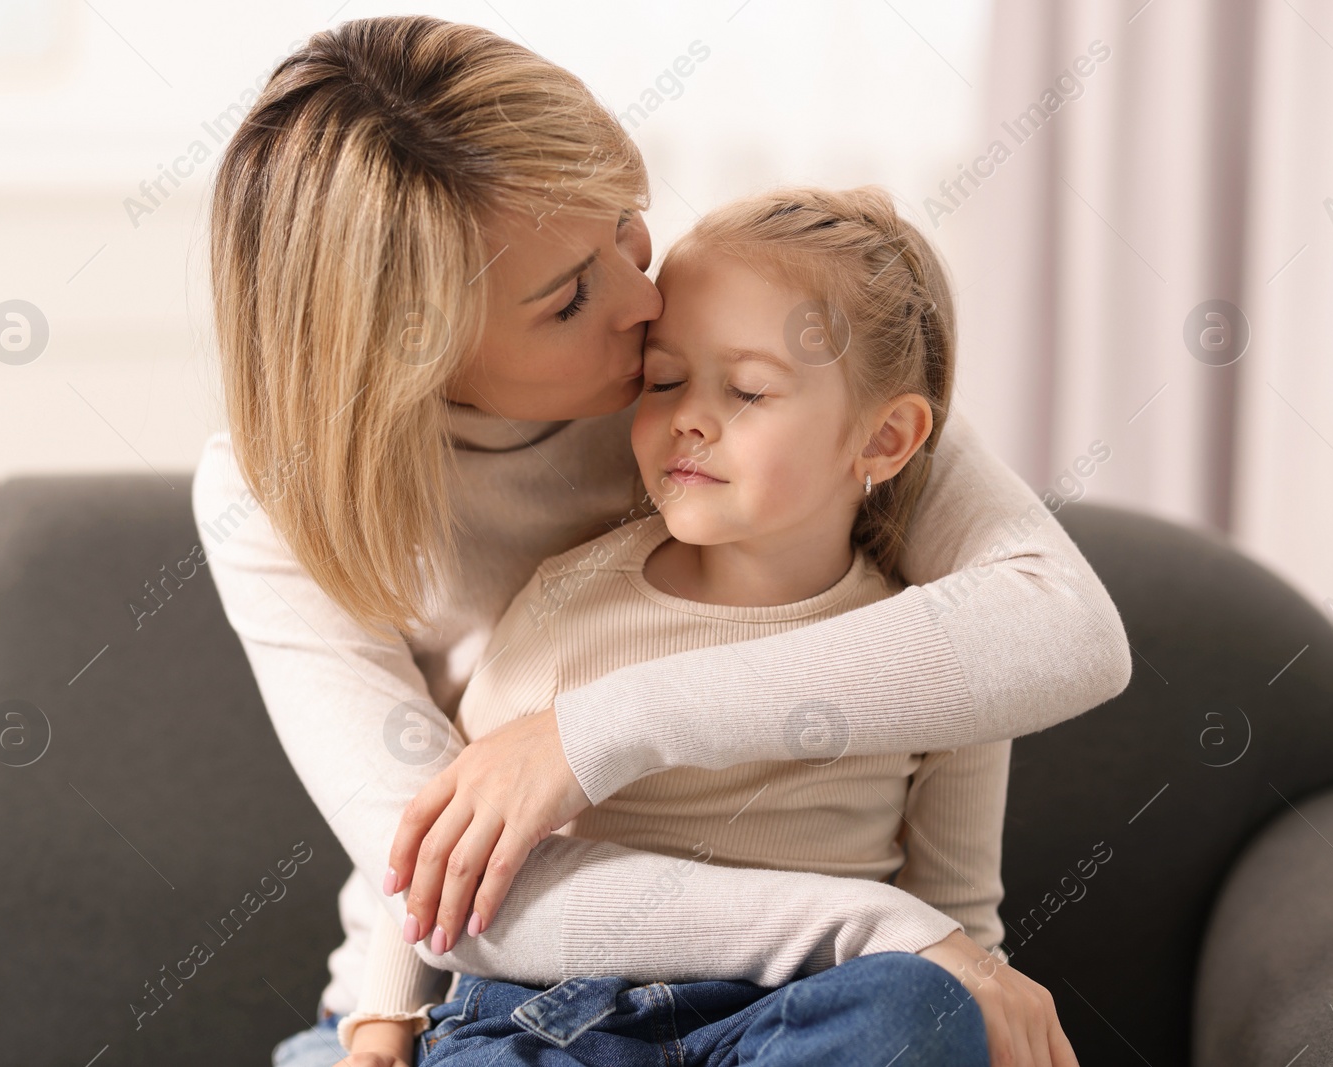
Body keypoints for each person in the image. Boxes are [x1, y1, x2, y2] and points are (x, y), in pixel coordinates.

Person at [192, 15, 1131, 1067]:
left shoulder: (737, 348)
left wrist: (592, 731)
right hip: (478, 991)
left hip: (800, 997)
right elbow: (462, 890)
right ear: (410, 351)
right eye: (567, 300)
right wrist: (891, 930)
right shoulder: (277, 491)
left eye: (626, 224)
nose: (645, 299)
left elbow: (1065, 631)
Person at [342, 183, 1013, 1067]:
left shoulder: (931, 648)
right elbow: (448, 836)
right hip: (558, 1014)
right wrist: (384, 1023)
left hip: (801, 1013)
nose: (687, 417)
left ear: (885, 439)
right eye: (662, 381)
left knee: (915, 1005)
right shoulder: (568, 600)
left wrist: (987, 1013)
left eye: (745, 389)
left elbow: (956, 910)